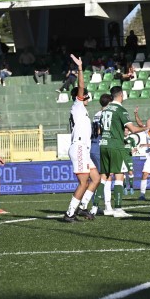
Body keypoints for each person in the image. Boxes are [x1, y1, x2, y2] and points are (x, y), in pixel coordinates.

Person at [98, 86, 150, 218]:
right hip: (116, 146)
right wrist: (146, 127)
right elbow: (133, 129)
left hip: (103, 144)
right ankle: (117, 209)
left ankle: (96, 207)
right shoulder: (120, 109)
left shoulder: (104, 111)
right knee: (119, 176)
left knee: (104, 177)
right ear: (121, 95)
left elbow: (100, 130)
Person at [62, 55, 100, 222]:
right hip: (78, 147)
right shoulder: (77, 105)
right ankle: (70, 213)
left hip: (83, 148)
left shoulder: (81, 110)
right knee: (83, 182)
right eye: (86, 95)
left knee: (96, 178)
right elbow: (81, 86)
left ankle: (83, 207)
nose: (87, 97)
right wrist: (80, 68)